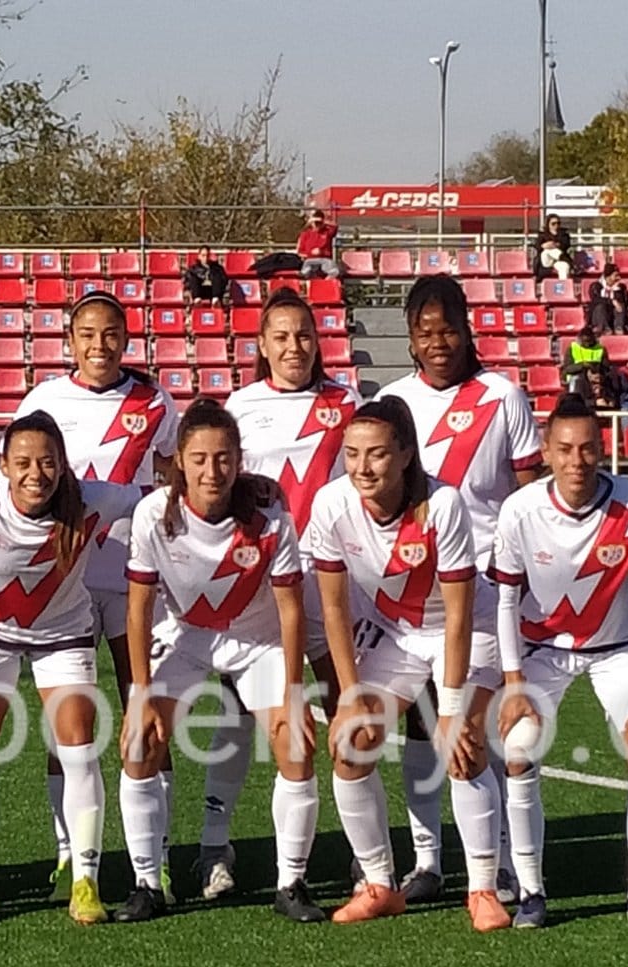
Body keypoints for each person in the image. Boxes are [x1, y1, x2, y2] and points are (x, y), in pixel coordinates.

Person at [308, 397, 510, 931]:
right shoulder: (331, 505)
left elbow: (462, 615)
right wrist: (349, 697)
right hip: (396, 634)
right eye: (351, 454)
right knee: (351, 747)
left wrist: (451, 709)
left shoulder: (442, 504)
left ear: (405, 455)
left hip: (467, 629)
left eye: (376, 454)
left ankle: (484, 889)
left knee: (460, 745)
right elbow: (332, 607)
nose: (362, 468)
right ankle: (379, 884)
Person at [0, 412, 148, 926]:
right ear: (4, 466)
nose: (36, 473)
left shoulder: (96, 499)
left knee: (79, 750)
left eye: (48, 462)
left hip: (64, 636)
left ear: (63, 465)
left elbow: (161, 498)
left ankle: (86, 880)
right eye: (23, 462)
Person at [120, 399, 322, 924]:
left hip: (258, 642)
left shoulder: (270, 514)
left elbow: (290, 608)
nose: (213, 471)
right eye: (201, 458)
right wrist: (139, 695)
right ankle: (147, 882)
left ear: (239, 459)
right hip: (185, 639)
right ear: (179, 461)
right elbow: (138, 609)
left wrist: (296, 693)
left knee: (295, 741)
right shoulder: (151, 515)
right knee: (142, 742)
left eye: (225, 458)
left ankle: (291, 883)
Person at [190, 288, 358, 900]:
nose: (295, 347)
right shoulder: (240, 406)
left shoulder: (347, 404)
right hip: (260, 587)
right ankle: (214, 848)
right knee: (236, 717)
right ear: (261, 345)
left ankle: (360, 850)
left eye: (305, 335)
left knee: (345, 711)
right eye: (281, 337)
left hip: (335, 582)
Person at [382, 274, 543, 904]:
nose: (438, 342)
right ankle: (428, 861)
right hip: (410, 593)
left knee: (480, 729)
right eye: (425, 332)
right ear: (411, 339)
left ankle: (498, 861)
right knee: (422, 728)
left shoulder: (504, 395)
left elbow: (530, 492)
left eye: (448, 328)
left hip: (485, 591)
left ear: (467, 328)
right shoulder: (393, 401)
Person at [15, 292, 179, 900]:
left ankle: (154, 850)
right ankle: (68, 850)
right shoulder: (43, 402)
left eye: (111, 334)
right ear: (70, 339)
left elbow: (169, 480)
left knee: (148, 705)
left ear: (126, 339)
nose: (99, 345)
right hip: (67, 585)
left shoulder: (153, 400)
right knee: (70, 722)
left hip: (137, 578)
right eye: (88, 334)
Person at [491, 393, 628, 931]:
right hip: (542, 653)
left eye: (588, 448)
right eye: (565, 449)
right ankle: (530, 892)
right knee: (518, 752)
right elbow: (504, 601)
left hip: (615, 651)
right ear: (545, 450)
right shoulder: (519, 512)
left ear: (602, 448)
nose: (577, 461)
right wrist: (514, 682)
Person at [297, 209, 341, 279]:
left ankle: (325, 283)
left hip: (325, 259)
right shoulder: (305, 234)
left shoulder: (327, 232)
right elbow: (300, 252)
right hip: (310, 259)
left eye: (319, 223)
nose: (317, 225)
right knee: (305, 271)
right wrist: (311, 253)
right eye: (315, 223)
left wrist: (323, 221)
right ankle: (316, 282)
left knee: (334, 271)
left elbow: (335, 226)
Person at [587, 267, 628, 335]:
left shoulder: (621, 287)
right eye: (616, 275)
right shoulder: (596, 286)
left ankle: (619, 328)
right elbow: (596, 300)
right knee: (600, 307)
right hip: (599, 315)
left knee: (620, 305)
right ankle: (605, 328)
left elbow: (624, 301)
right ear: (608, 277)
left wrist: (616, 291)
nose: (618, 278)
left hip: (614, 315)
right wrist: (612, 301)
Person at [531, 213, 573, 282]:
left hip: (558, 260)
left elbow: (566, 245)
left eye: (558, 223)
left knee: (564, 267)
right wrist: (544, 246)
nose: (556, 225)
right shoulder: (542, 234)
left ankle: (563, 286)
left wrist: (555, 245)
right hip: (546, 260)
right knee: (547, 251)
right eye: (553, 223)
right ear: (548, 224)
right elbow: (537, 246)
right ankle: (563, 257)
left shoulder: (564, 235)